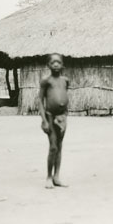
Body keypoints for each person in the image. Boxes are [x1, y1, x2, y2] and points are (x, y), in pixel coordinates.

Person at [38, 53, 69, 188]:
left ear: (62, 65)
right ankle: (48, 177)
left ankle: (57, 176)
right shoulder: (46, 81)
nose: (56, 64)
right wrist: (44, 120)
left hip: (62, 117)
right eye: (53, 62)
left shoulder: (65, 80)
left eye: (59, 62)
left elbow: (64, 95)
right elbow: (40, 100)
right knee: (53, 147)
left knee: (60, 147)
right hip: (50, 116)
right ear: (48, 65)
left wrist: (65, 114)